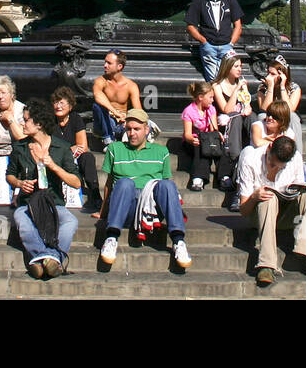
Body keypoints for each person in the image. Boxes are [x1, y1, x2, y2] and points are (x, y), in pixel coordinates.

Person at [98, 108, 191, 270]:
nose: (132, 133)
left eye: (137, 129)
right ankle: (111, 237)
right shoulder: (115, 149)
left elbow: (165, 188)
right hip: (126, 205)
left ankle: (178, 241)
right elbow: (109, 184)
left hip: (152, 207)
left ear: (147, 130)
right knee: (125, 183)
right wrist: (103, 212)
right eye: (129, 129)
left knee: (168, 185)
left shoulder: (161, 152)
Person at [238, 135, 306, 286]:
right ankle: (266, 264)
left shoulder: (295, 158)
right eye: (273, 163)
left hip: (287, 213)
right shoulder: (250, 159)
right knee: (268, 197)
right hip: (261, 215)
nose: (276, 168)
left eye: (281, 167)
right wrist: (254, 197)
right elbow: (244, 210)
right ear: (269, 148)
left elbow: (298, 187)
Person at [7, 99, 81, 279]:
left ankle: (48, 259)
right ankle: (47, 257)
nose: (22, 124)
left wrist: (54, 166)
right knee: (21, 219)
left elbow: (77, 182)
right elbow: (10, 175)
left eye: (26, 120)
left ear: (39, 124)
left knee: (70, 221)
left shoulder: (61, 148)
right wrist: (18, 183)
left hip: (53, 201)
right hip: (29, 202)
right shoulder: (19, 147)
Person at [186, 0, 244, 81]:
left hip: (227, 47)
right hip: (209, 47)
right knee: (214, 81)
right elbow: (190, 25)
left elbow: (238, 25)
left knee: (229, 80)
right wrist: (204, 41)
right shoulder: (199, 0)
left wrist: (231, 43)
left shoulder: (230, 0)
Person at [212, 55, 253, 210]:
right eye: (236, 66)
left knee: (253, 118)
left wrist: (247, 107)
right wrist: (236, 89)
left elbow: (247, 103)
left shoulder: (242, 84)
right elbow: (226, 109)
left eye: (240, 66)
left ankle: (258, 144)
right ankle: (235, 154)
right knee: (235, 117)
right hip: (226, 122)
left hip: (242, 119)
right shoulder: (217, 85)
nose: (239, 69)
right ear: (227, 67)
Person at [52, 87, 102, 214]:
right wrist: (69, 149)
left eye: (62, 103)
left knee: (88, 157)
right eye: (56, 103)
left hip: (74, 158)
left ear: (70, 106)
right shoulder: (50, 121)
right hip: (57, 159)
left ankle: (95, 195)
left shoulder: (75, 119)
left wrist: (67, 150)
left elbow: (82, 147)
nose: (58, 106)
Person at [92, 50, 141, 147]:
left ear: (120, 67)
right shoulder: (100, 81)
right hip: (105, 122)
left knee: (141, 121)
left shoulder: (131, 86)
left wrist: (128, 120)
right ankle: (108, 140)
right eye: (105, 62)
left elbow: (138, 110)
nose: (105, 65)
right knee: (97, 106)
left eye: (109, 63)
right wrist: (115, 112)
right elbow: (98, 95)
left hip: (122, 123)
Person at [181, 81, 220, 192]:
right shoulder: (189, 111)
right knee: (201, 147)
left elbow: (214, 129)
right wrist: (193, 140)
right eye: (210, 97)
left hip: (207, 139)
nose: (213, 100)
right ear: (200, 97)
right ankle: (198, 178)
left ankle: (224, 176)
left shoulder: (211, 109)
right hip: (192, 142)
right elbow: (187, 134)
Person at [255, 56, 302, 136]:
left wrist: (282, 86)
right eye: (268, 73)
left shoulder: (294, 88)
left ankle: (296, 148)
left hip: (284, 116)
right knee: (261, 116)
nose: (268, 77)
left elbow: (290, 109)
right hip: (270, 116)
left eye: (273, 74)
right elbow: (264, 109)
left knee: (293, 116)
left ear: (282, 75)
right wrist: (270, 87)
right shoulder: (263, 87)